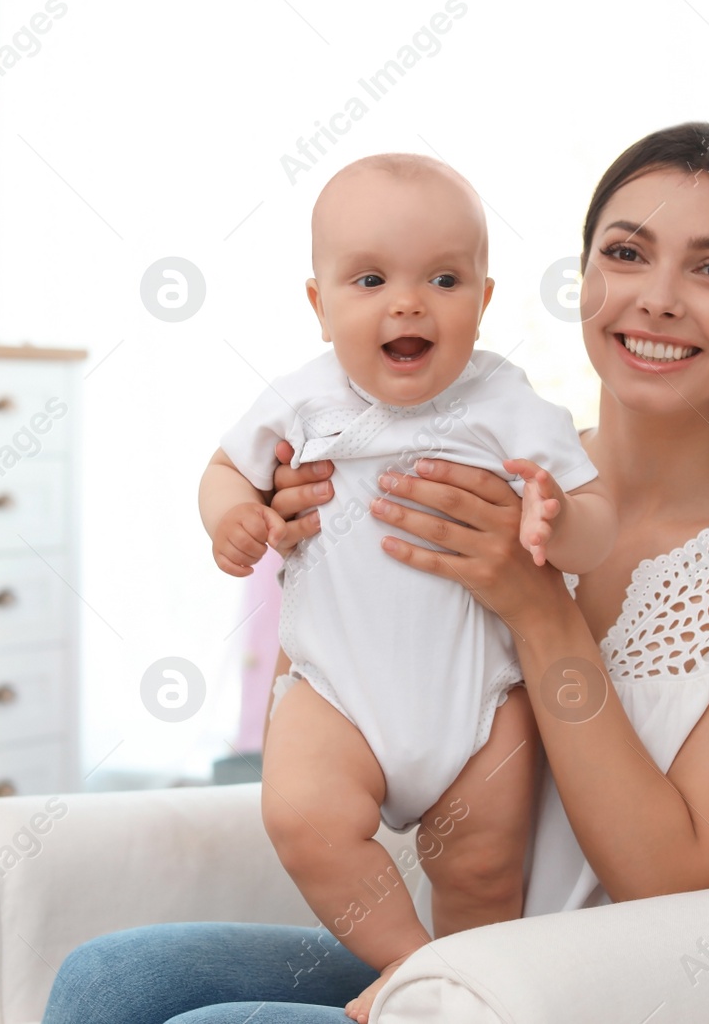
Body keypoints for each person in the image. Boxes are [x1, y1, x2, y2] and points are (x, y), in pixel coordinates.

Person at [41, 121, 709, 1024]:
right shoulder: (466, 467)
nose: (658, 298)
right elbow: (349, 695)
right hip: (462, 957)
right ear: (584, 280)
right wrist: (300, 545)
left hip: (613, 990)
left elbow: (669, 876)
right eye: (626, 253)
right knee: (107, 983)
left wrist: (536, 603)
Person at [198, 152, 617, 1020]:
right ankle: (414, 962)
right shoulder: (304, 402)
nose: (408, 301)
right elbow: (221, 468)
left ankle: (468, 991)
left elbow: (593, 509)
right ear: (319, 306)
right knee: (303, 816)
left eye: (443, 278)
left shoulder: (502, 397)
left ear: (485, 299)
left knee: (483, 863)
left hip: (475, 696)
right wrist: (231, 513)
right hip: (336, 692)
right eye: (369, 279)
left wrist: (555, 517)